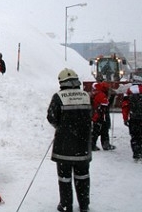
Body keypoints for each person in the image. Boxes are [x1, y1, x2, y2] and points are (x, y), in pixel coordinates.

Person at [47, 68, 92, 212]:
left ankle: (66, 205)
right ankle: (84, 205)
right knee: (83, 176)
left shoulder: (59, 97)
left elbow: (52, 117)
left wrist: (61, 127)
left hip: (64, 146)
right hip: (82, 145)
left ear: (61, 82)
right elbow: (91, 115)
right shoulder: (86, 95)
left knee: (64, 178)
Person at [121, 76, 142, 161]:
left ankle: (137, 153)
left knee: (135, 136)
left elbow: (125, 107)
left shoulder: (129, 91)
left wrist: (125, 118)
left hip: (134, 118)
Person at [91, 82, 115, 151]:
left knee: (102, 130)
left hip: (98, 115)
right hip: (99, 116)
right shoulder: (101, 94)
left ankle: (102, 144)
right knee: (98, 131)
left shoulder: (98, 93)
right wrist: (112, 97)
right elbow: (106, 104)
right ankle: (98, 145)